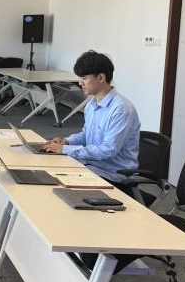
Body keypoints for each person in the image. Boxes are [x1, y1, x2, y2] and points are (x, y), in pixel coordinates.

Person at [43, 50, 140, 187]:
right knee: (47, 172)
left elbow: (107, 150)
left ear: (101, 77)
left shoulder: (121, 109)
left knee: (53, 183)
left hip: (113, 175)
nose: (80, 82)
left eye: (84, 78)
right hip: (91, 166)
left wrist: (64, 149)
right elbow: (86, 136)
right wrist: (67, 141)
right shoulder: (92, 105)